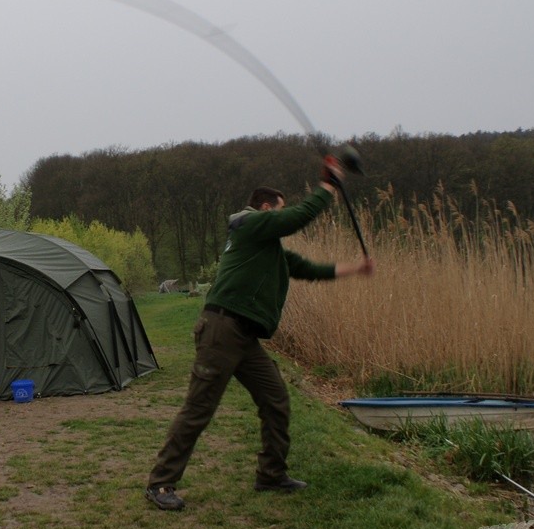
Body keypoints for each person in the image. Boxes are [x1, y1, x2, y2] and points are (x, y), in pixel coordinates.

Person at [145, 157, 374, 511]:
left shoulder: (270, 250)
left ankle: (271, 474)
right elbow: (296, 218)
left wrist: (356, 269)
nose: (280, 219)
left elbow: (311, 269)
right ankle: (160, 483)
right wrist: (329, 186)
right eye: (277, 212)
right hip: (221, 329)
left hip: (244, 337)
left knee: (276, 399)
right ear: (266, 208)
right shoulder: (248, 225)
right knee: (198, 409)